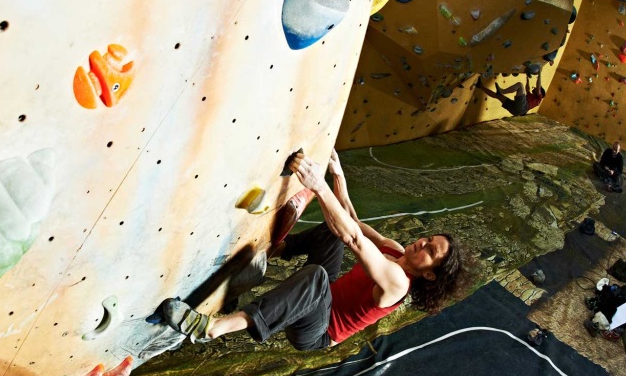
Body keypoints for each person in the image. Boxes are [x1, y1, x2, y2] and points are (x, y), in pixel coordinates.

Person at [157, 150, 465, 350]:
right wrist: (338, 175)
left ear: (429, 275)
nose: (422, 242)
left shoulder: (398, 284)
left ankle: (210, 328)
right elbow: (354, 223)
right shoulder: (395, 250)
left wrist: (320, 186)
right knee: (333, 231)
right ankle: (266, 252)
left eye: (431, 250)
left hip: (316, 331)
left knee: (318, 275)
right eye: (428, 238)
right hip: (325, 295)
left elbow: (355, 240)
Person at [477, 71, 545, 117]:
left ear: (540, 92)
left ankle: (502, 91)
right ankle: (480, 86)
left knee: (519, 85)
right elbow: (527, 88)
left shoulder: (539, 98)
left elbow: (538, 86)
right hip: (516, 112)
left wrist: (539, 73)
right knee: (498, 96)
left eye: (536, 88)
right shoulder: (532, 97)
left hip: (522, 107)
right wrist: (527, 77)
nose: (535, 88)